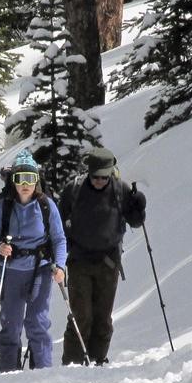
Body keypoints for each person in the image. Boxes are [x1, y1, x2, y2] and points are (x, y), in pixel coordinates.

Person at [57, 147, 147, 365]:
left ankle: (98, 359)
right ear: (88, 172)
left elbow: (135, 222)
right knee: (81, 316)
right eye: (95, 176)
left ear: (111, 173)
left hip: (108, 263)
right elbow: (58, 222)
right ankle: (74, 362)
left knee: (103, 318)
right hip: (79, 261)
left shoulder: (120, 189)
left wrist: (139, 208)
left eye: (104, 177)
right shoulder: (74, 190)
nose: (99, 181)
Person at [0, 149, 67, 372]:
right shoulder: (4, 206)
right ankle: (9, 373)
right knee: (11, 324)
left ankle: (43, 373)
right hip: (10, 272)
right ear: (13, 181)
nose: (25, 184)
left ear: (36, 180)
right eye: (20, 178)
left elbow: (59, 239)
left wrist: (60, 266)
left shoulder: (46, 205)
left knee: (37, 322)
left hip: (39, 270)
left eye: (30, 178)